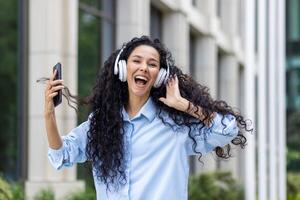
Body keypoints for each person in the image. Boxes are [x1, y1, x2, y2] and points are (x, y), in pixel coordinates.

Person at [44, 36, 250, 200]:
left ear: (159, 75)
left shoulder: (175, 125)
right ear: (122, 69)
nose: (143, 67)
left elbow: (226, 129)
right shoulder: (101, 123)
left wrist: (183, 105)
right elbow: (61, 155)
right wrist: (49, 113)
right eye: (136, 61)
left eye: (152, 64)